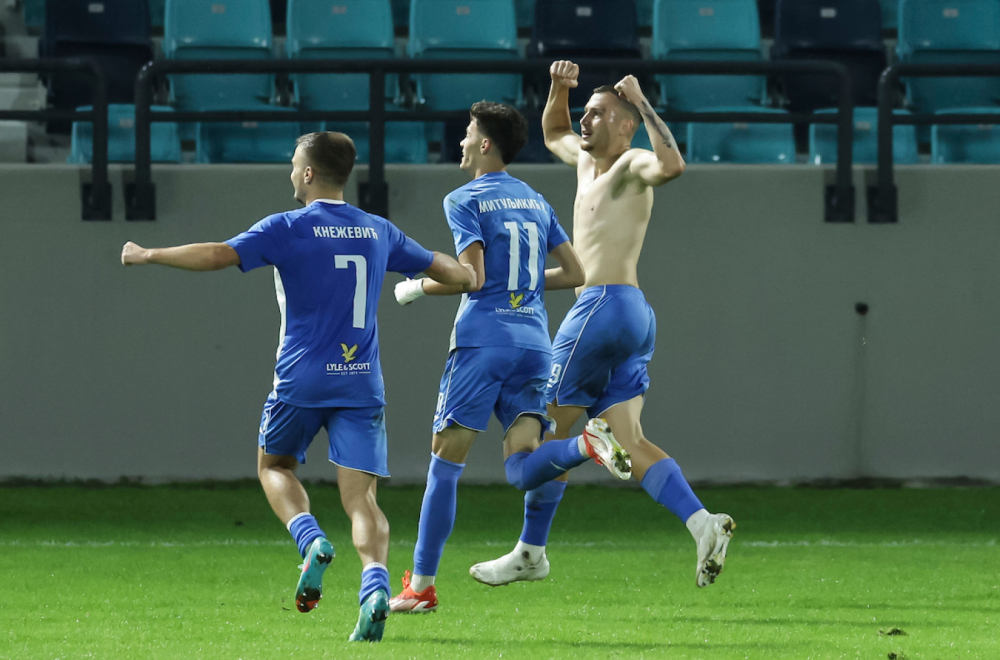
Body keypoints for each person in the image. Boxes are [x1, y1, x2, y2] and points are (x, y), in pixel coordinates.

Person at [120, 131, 474, 641]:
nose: (290, 172)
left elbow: (219, 254)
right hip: (360, 382)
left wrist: (150, 254)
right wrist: (458, 273)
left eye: (293, 164)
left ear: (308, 173)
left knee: (274, 465)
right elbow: (456, 274)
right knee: (363, 502)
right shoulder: (378, 230)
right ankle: (374, 585)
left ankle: (310, 541)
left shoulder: (286, 227)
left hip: (300, 380)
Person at [469, 62, 736, 590]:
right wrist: (559, 88)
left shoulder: (633, 162)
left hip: (602, 307)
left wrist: (642, 102)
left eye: (598, 114)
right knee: (628, 437)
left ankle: (530, 551)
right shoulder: (584, 163)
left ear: (625, 124)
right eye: (585, 113)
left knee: (541, 430)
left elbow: (673, 165)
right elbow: (552, 131)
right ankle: (702, 523)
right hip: (632, 315)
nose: (585, 122)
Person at [386, 101, 627, 614]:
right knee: (522, 461)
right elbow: (576, 273)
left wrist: (418, 288)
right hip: (534, 342)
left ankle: (422, 586)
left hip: (483, 343)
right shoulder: (537, 201)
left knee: (444, 461)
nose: (461, 142)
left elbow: (469, 278)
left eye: (468, 133)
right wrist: (520, 284)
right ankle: (585, 445)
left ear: (486, 143)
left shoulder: (464, 198)